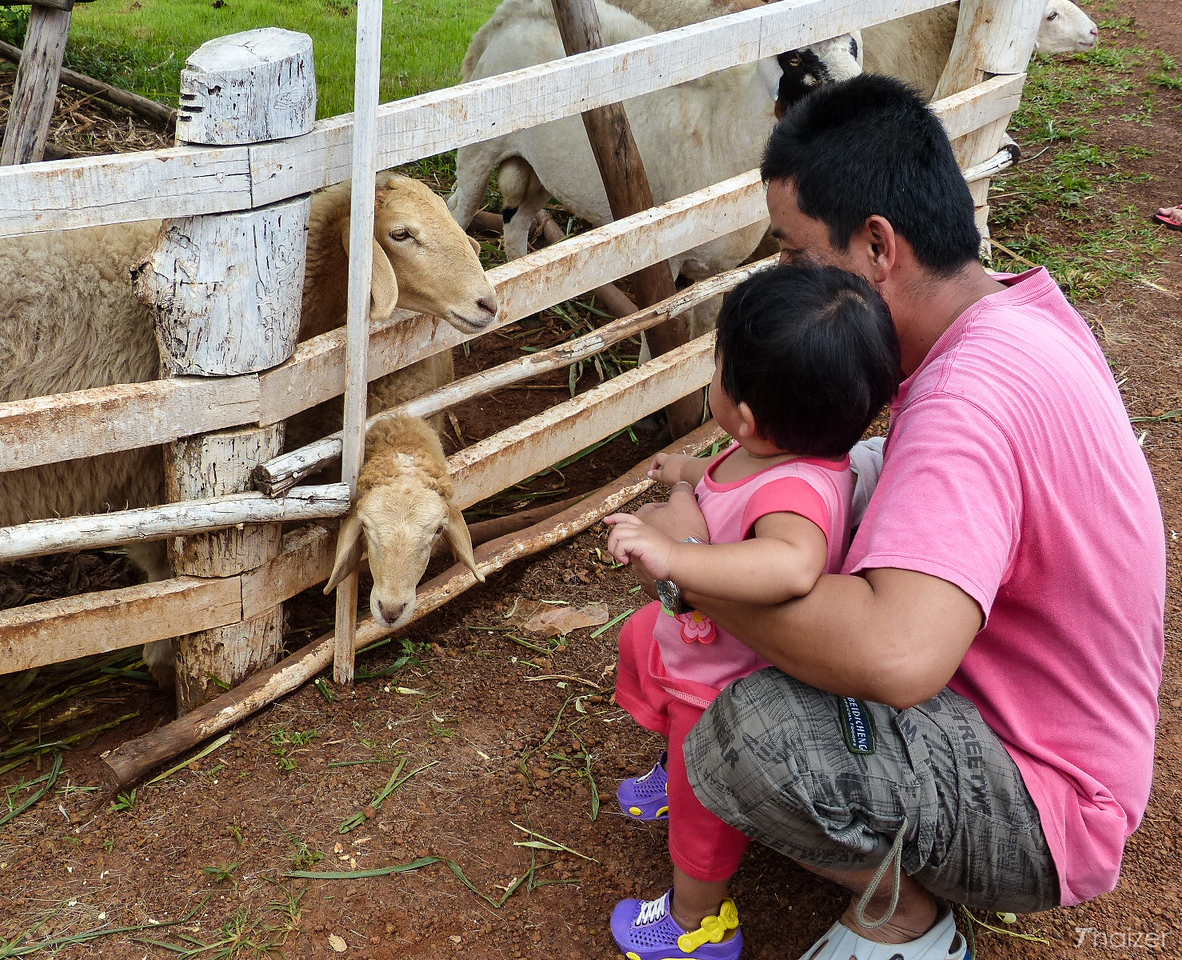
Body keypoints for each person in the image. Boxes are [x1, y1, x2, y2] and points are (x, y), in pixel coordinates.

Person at [616, 73, 1166, 960]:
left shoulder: (966, 400)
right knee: (850, 484)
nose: (787, 278)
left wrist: (693, 571)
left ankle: (905, 922)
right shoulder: (1009, 316)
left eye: (795, 254)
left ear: (877, 246)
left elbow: (897, 655)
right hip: (1042, 724)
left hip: (1044, 800)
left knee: (736, 735)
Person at [602, 263, 901, 960]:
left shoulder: (796, 492)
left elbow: (790, 564)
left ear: (745, 410)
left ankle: (697, 921)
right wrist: (684, 473)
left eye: (719, 368)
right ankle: (672, 779)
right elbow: (722, 478)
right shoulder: (773, 446)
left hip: (724, 682)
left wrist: (677, 557)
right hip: (701, 644)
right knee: (643, 636)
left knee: (705, 798)